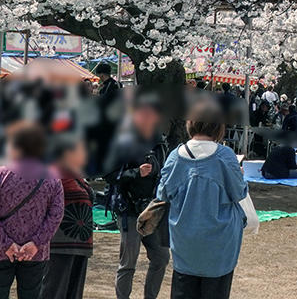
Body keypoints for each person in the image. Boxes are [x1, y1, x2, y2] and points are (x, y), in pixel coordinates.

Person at [156, 99, 257, 299]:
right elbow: (239, 192)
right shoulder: (225, 156)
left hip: (184, 239)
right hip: (220, 243)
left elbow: (162, 194)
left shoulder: (176, 156)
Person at [0, 122, 65, 299]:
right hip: (35, 251)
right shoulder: (53, 178)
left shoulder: (1, 174)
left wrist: (6, 243)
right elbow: (56, 216)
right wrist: (36, 243)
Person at [109, 97, 171, 299]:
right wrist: (136, 173)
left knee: (161, 258)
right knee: (128, 263)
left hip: (153, 210)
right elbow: (109, 175)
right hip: (130, 210)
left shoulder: (161, 142)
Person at [42, 140, 94, 299]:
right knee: (54, 290)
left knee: (73, 292)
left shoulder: (76, 174)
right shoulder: (55, 173)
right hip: (60, 244)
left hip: (80, 244)